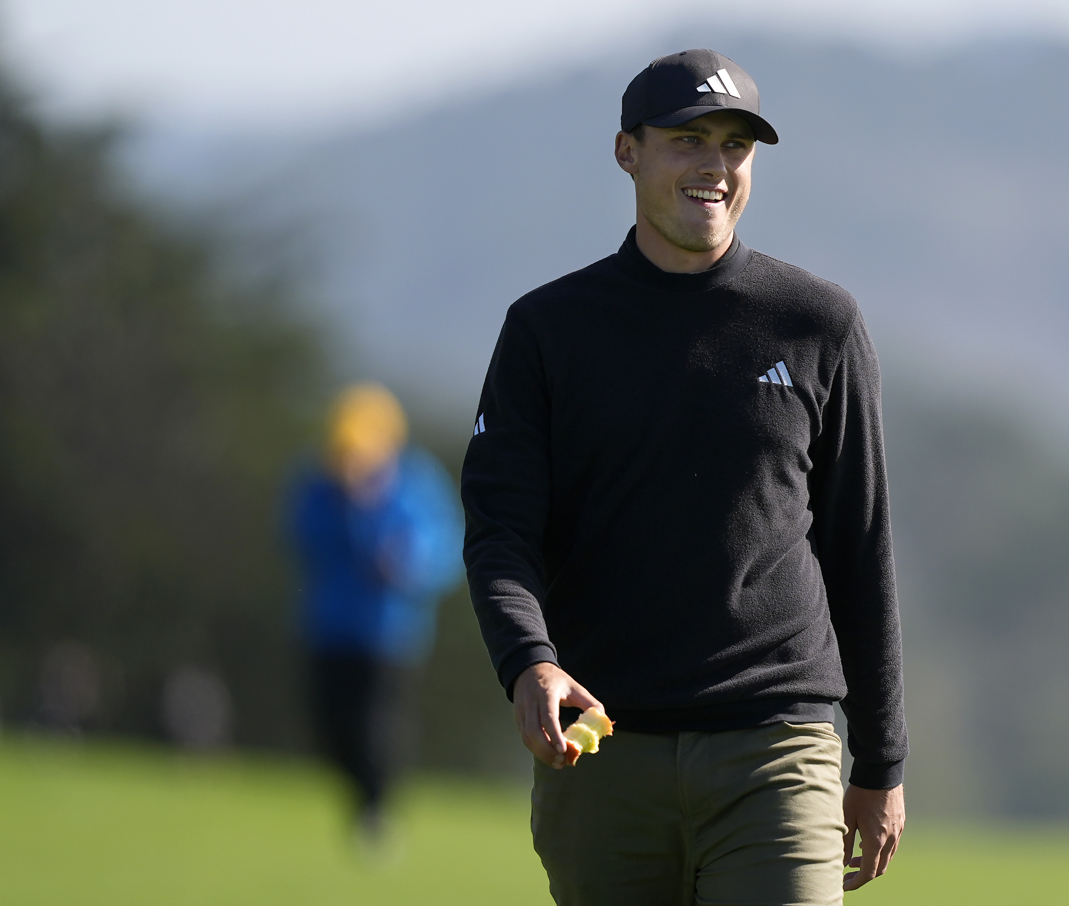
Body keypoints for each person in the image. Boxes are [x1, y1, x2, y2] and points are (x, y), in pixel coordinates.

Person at [462, 49, 907, 905]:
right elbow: (499, 531)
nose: (716, 165)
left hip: (776, 747)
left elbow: (860, 546)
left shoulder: (818, 323)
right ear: (627, 152)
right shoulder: (548, 331)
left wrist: (881, 760)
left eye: (736, 146)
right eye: (688, 140)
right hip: (600, 749)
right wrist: (528, 662)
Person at [289, 383, 464, 843]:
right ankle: (360, 799)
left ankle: (377, 809)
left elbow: (443, 547)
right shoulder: (318, 483)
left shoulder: (415, 482)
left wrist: (405, 559)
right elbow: (300, 536)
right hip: (328, 627)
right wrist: (353, 509)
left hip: (390, 633)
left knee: (377, 728)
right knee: (329, 725)